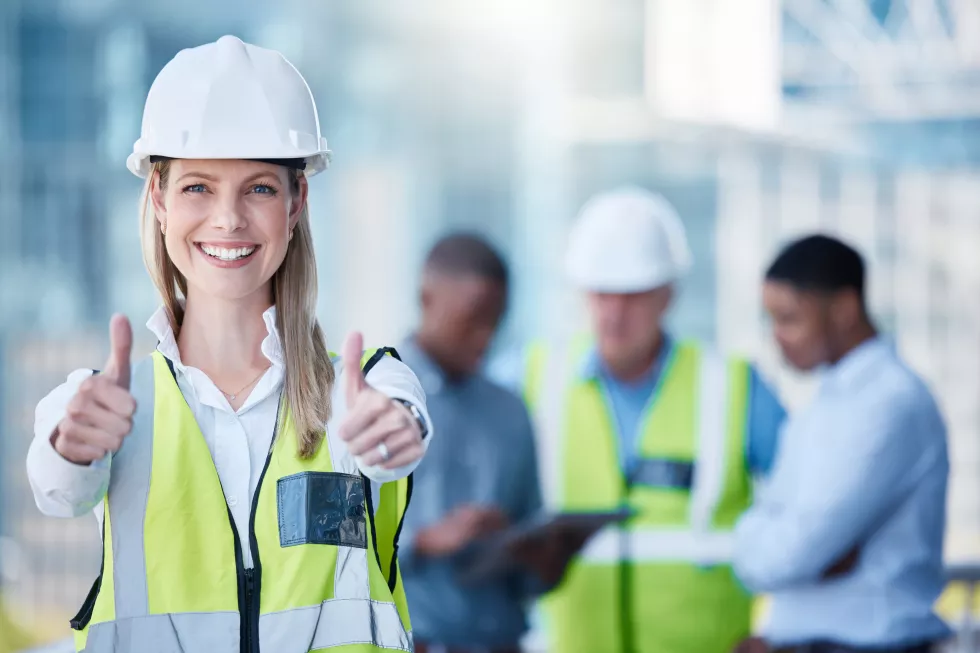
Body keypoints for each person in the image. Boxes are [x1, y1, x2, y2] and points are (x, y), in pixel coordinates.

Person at [25, 35, 432, 653]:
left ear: (297, 203)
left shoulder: (367, 387)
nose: (228, 219)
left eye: (260, 189)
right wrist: (71, 448)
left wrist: (394, 434)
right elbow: (59, 488)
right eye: (197, 188)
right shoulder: (105, 402)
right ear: (158, 199)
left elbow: (394, 442)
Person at [518, 187, 787, 653]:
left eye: (633, 296)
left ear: (668, 294)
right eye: (602, 294)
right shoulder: (534, 378)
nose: (615, 314)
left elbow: (815, 516)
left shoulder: (734, 386)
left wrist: (782, 630)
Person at [732, 234, 951, 653]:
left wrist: (783, 543)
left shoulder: (890, 402)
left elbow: (799, 548)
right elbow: (773, 533)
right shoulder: (825, 402)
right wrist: (776, 541)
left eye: (790, 318)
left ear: (845, 310)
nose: (777, 336)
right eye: (771, 320)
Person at [398, 233, 578, 653]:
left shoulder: (511, 412)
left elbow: (533, 562)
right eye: (473, 317)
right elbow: (329, 544)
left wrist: (542, 558)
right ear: (427, 299)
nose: (485, 336)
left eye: (497, 321)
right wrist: (424, 539)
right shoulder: (368, 397)